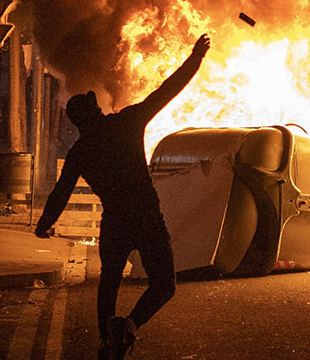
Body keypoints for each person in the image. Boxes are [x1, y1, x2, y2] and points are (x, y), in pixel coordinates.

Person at [35, 33, 210, 360]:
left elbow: (61, 192)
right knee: (165, 285)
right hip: (146, 217)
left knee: (109, 285)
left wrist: (45, 224)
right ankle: (129, 324)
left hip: (115, 222)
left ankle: (106, 339)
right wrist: (195, 58)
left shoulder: (80, 152)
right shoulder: (128, 123)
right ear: (95, 111)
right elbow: (167, 91)